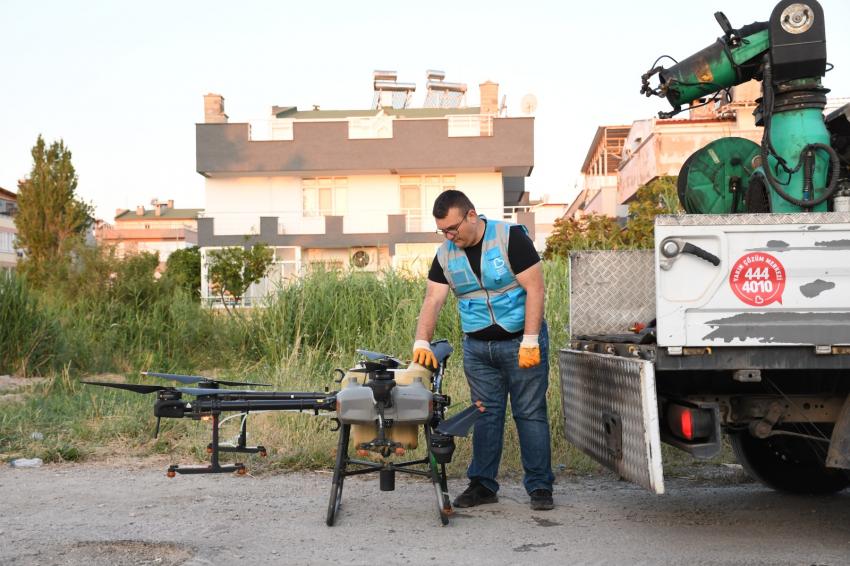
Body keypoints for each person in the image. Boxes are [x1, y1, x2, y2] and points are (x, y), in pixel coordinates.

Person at [412, 190, 554, 511]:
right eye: (443, 231)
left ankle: (540, 487)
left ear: (471, 215)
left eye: (452, 228)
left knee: (529, 413)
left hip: (521, 342)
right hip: (478, 349)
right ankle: (483, 485)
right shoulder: (446, 253)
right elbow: (433, 299)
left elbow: (535, 288)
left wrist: (531, 339)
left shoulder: (509, 238)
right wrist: (421, 341)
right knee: (485, 415)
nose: (449, 236)